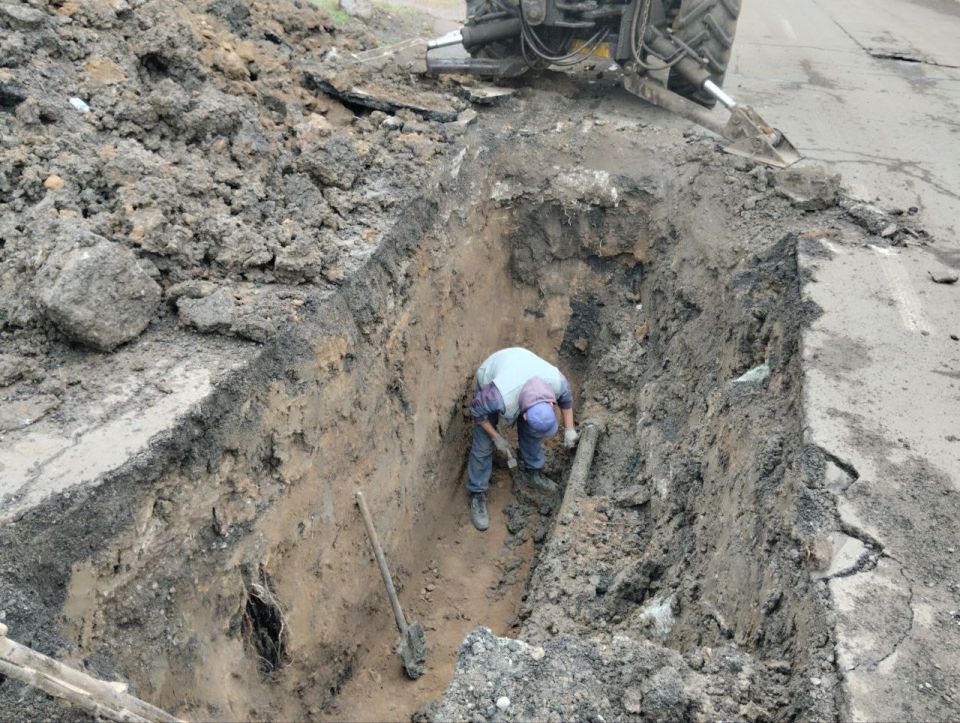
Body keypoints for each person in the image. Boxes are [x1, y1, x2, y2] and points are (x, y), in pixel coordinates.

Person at [466, 347, 579, 531]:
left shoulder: (556, 382)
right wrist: (495, 437)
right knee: (483, 445)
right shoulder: (496, 397)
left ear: (551, 403)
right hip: (493, 377)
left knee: (532, 433)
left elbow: (566, 399)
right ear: (523, 416)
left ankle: (532, 471)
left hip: (522, 369)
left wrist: (570, 429)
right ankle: (476, 493)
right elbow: (477, 411)